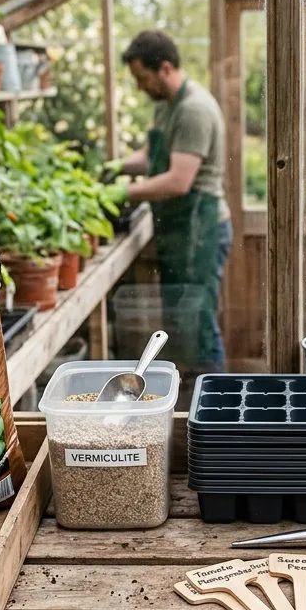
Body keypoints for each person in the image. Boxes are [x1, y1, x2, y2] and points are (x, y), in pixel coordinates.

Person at [105, 30, 231, 372]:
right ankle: (187, 398)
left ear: (164, 68)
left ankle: (216, 408)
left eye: (142, 78)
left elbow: (178, 180)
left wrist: (124, 192)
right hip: (180, 229)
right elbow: (153, 154)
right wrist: (120, 166)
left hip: (200, 228)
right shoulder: (166, 106)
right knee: (179, 321)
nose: (140, 87)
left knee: (200, 323)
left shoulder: (194, 110)